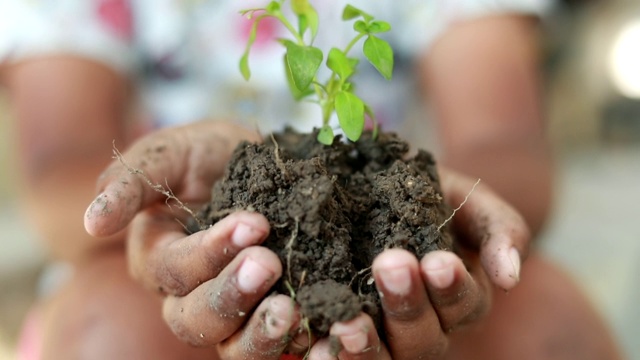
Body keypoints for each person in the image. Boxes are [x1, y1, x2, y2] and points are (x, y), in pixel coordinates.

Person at [0, 0, 622, 359]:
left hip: (390, 226)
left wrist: (432, 198)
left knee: (548, 321)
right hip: (162, 243)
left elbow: (506, 147)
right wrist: (163, 208)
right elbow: (62, 175)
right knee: (109, 333)